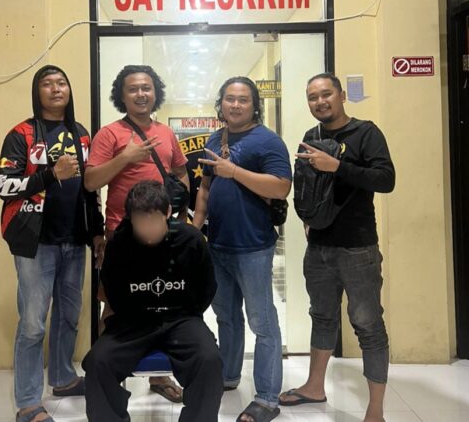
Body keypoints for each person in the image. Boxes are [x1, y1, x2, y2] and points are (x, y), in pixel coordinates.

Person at [279, 73, 395, 422]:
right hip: (319, 248)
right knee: (322, 316)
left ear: (342, 95)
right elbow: (305, 185)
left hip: (358, 247)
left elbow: (386, 179)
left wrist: (338, 167)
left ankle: (375, 410)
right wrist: (307, 217)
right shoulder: (310, 137)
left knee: (368, 325)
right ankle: (315, 387)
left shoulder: (366, 133)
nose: (320, 101)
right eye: (312, 97)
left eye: (326, 94)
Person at [0, 65, 104, 422]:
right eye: (47, 83)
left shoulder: (82, 134)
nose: (56, 89)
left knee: (68, 316)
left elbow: (90, 188)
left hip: (74, 240)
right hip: (35, 242)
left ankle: (62, 378)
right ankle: (28, 403)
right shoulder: (21, 134)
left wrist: (97, 230)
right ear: (37, 91)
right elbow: (4, 186)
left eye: (62, 83)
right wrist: (49, 174)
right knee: (33, 324)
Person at [84, 64, 189, 403]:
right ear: (122, 95)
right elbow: (91, 181)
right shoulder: (109, 134)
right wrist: (125, 158)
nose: (141, 94)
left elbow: (180, 172)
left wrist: (181, 215)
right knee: (114, 305)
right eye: (133, 89)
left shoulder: (166, 133)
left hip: (163, 236)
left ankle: (159, 377)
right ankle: (107, 376)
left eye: (146, 88)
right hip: (122, 235)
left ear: (155, 92)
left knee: (161, 303)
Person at [194, 76, 292, 422]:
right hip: (217, 244)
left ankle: (267, 398)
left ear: (254, 105)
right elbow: (205, 188)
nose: (235, 105)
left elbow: (281, 187)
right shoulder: (214, 139)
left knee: (262, 322)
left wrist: (234, 171)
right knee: (226, 315)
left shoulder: (268, 141)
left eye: (243, 99)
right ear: (221, 103)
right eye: (230, 99)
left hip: (253, 247)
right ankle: (228, 375)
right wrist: (195, 230)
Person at [82, 180, 223, 422]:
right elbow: (113, 291)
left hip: (180, 319)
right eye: (140, 222)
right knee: (97, 362)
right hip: (133, 321)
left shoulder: (191, 240)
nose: (148, 230)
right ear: (130, 219)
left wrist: (185, 314)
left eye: (153, 221)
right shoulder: (119, 243)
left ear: (167, 212)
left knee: (209, 360)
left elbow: (207, 288)